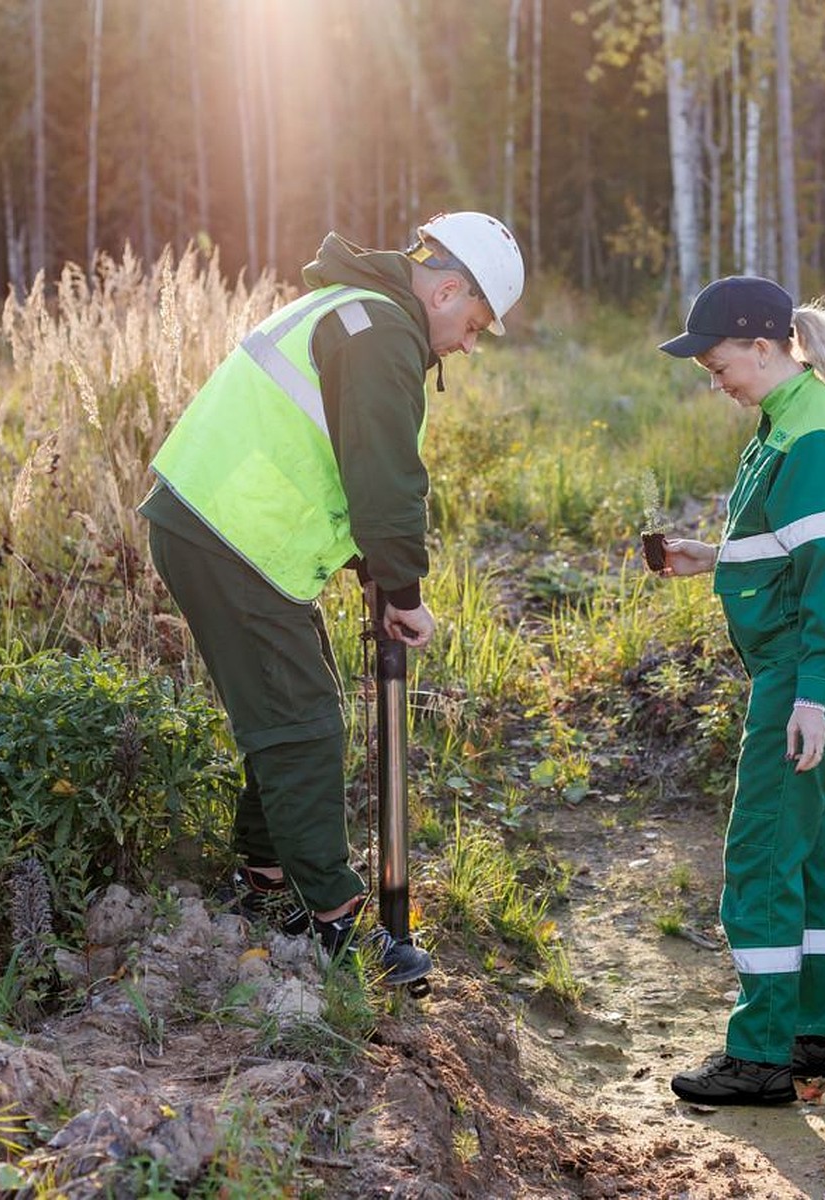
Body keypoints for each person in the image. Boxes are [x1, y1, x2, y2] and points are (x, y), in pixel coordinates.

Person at [140, 212, 525, 986]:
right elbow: (386, 477)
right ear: (446, 289)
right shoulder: (381, 331)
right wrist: (404, 591)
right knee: (303, 720)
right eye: (474, 324)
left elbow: (338, 456)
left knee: (290, 704)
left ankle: (262, 879)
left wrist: (376, 573)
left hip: (224, 527)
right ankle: (337, 924)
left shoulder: (350, 307)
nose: (467, 346)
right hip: (230, 532)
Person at [654, 275, 825, 1104]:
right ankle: (817, 1038)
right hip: (808, 657)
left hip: (804, 665)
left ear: (763, 346)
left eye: (720, 366)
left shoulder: (813, 433)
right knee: (817, 847)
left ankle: (760, 1057)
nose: (717, 383)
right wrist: (709, 557)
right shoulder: (792, 419)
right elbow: (791, 547)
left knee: (762, 849)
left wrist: (812, 697)